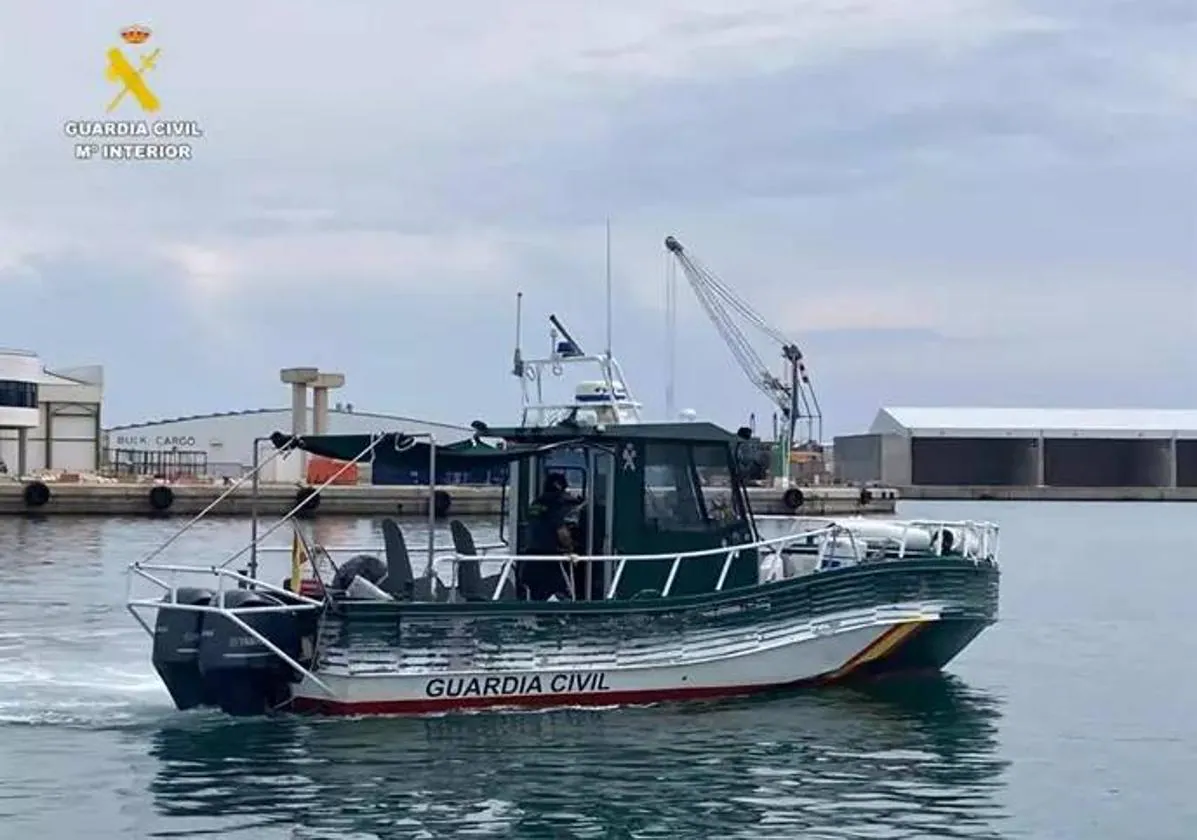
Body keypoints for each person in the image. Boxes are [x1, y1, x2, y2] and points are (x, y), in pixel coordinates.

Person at [519, 472, 579, 600]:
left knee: (535, 592)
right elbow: (562, 532)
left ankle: (538, 617)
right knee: (562, 593)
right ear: (558, 486)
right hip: (551, 557)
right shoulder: (555, 504)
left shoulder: (535, 503)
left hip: (531, 556)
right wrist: (571, 548)